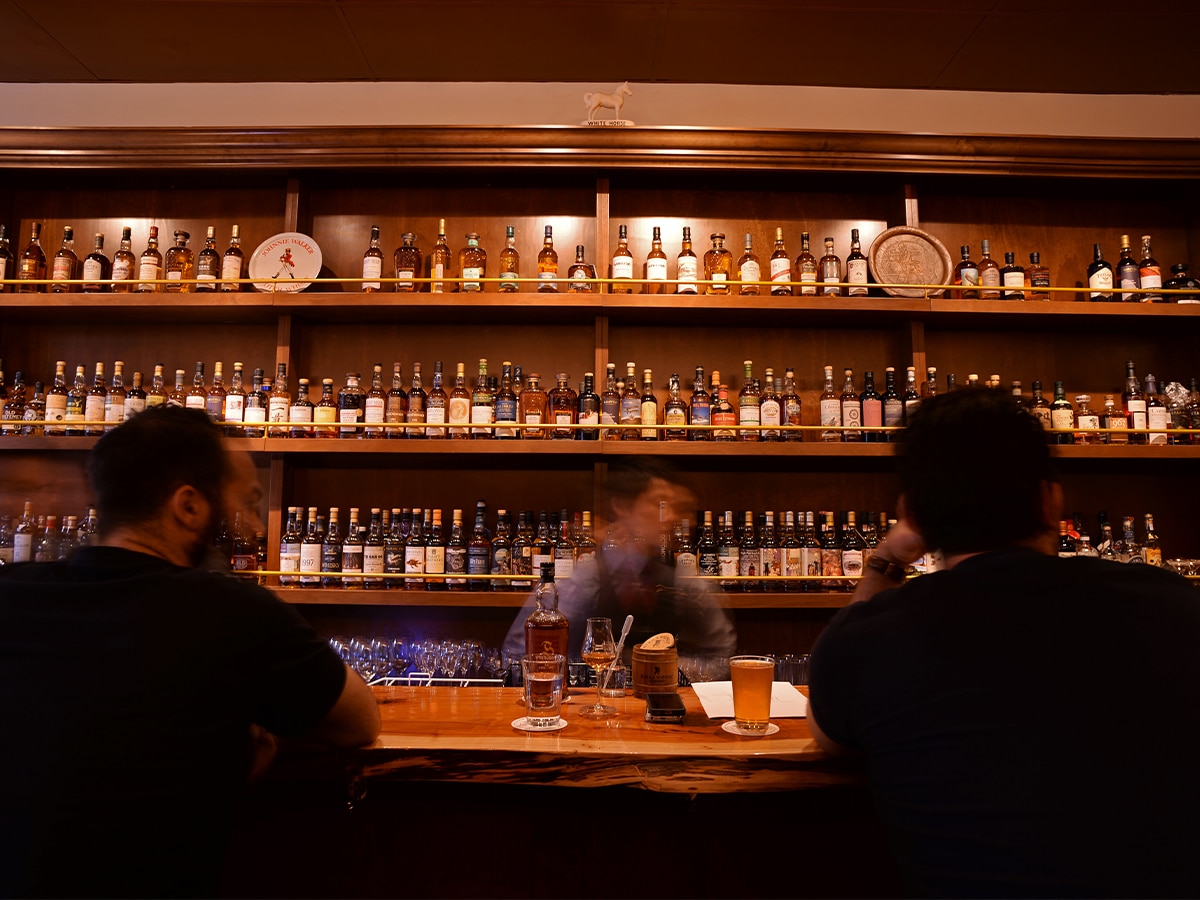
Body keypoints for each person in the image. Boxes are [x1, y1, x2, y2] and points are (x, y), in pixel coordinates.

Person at [807, 388, 1200, 898]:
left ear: (914, 516)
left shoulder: (870, 635)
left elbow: (828, 740)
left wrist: (885, 560)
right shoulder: (1175, 605)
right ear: (1051, 500)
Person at [0, 406, 381, 898]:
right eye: (241, 502)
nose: (249, 524)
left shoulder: (10, 595)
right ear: (189, 506)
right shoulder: (235, 611)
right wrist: (254, 728)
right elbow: (358, 721)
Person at [502, 458, 736, 667]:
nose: (673, 517)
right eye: (659, 505)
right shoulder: (586, 580)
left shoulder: (684, 582)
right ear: (622, 507)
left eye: (675, 507)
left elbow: (723, 654)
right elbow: (519, 652)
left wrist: (673, 670)